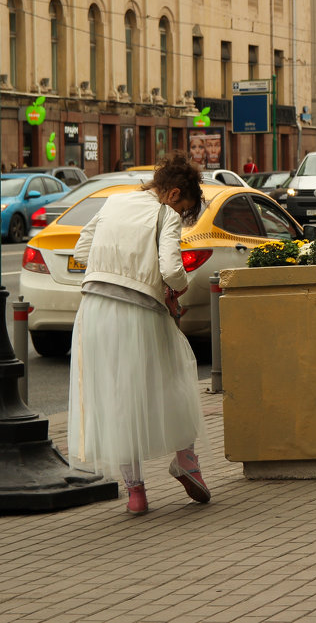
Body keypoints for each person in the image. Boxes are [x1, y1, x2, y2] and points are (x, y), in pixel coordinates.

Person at [68, 154, 211, 515]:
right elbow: (172, 270)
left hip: (94, 310)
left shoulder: (114, 201)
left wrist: (114, 266)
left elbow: (82, 249)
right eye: (185, 206)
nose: (182, 212)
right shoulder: (165, 214)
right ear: (173, 193)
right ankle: (186, 460)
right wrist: (178, 287)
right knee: (175, 376)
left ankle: (136, 494)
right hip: (139, 311)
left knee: (116, 397)